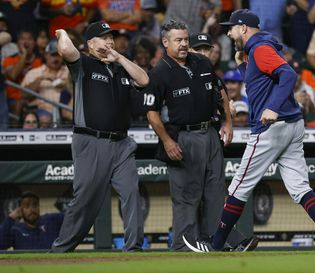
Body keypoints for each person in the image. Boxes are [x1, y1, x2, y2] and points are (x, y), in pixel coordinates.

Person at [183, 9, 315, 252]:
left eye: (231, 28)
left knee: (239, 187)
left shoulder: (260, 48)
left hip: (272, 128)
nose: (228, 32)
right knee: (300, 186)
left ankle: (216, 245)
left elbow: (288, 75)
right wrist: (242, 69)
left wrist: (272, 108)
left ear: (243, 28)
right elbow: (260, 85)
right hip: (292, 126)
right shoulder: (257, 49)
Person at [146, 20, 258, 252]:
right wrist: (167, 141)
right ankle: (184, 243)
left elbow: (221, 93)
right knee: (187, 194)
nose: (184, 44)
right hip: (182, 137)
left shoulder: (202, 61)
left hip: (209, 132)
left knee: (217, 191)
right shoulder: (159, 72)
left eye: (186, 39)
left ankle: (221, 239)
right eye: (178, 40)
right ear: (165, 42)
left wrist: (227, 121)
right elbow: (152, 114)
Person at [51, 21, 149, 252]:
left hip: (122, 144)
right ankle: (61, 249)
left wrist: (120, 58)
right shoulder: (84, 64)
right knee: (85, 201)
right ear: (91, 43)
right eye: (103, 37)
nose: (109, 41)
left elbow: (144, 80)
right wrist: (64, 32)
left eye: (111, 37)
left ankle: (133, 248)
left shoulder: (120, 66)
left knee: (132, 193)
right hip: (90, 141)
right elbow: (66, 50)